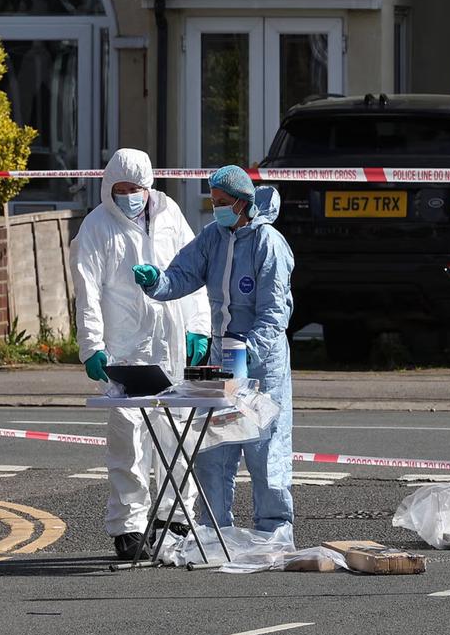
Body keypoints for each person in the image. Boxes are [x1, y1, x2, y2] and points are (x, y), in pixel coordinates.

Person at [131, 165, 295, 533]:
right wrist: (157, 282)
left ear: (243, 203)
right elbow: (183, 275)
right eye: (214, 202)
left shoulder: (269, 244)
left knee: (265, 453)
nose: (217, 208)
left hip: (261, 366)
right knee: (215, 451)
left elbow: (274, 313)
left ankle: (274, 533)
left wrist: (249, 353)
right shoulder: (214, 236)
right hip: (222, 363)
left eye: (223, 203)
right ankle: (213, 533)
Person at [70, 148, 211, 560]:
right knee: (128, 439)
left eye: (136, 188)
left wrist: (198, 328)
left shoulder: (171, 218)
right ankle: (129, 527)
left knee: (176, 434)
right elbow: (88, 293)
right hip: (124, 351)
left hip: (171, 345)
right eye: (121, 189)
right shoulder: (96, 228)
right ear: (107, 187)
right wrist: (91, 346)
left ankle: (176, 519)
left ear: (149, 187)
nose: (130, 196)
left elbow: (194, 273)